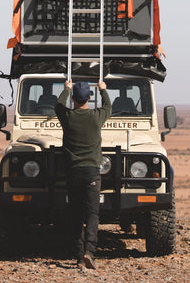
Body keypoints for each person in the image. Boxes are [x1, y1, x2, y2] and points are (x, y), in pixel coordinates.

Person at [55, 79, 111, 269]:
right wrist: (103, 90)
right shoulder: (97, 116)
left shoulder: (68, 117)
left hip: (73, 173)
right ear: (89, 97)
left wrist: (65, 89)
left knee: (76, 215)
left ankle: (79, 257)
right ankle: (90, 252)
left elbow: (58, 106)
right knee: (93, 214)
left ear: (73, 98)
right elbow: (108, 107)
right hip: (92, 173)